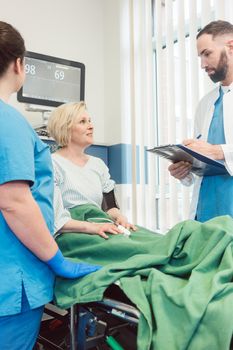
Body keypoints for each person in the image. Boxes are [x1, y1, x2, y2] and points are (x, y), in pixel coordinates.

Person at [0, 21, 100, 350]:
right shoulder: (8, 121)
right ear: (19, 64)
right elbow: (14, 202)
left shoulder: (97, 165)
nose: (89, 125)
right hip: (13, 277)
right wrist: (57, 259)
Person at [168, 20, 233, 222]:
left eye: (207, 54)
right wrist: (184, 171)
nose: (203, 64)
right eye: (200, 57)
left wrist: (217, 150)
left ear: (230, 47)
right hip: (205, 210)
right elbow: (202, 162)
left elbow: (214, 152)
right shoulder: (205, 104)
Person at [47, 101, 136, 239]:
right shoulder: (52, 164)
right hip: (72, 234)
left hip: (101, 225)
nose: (91, 126)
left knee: (145, 238)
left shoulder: (98, 164)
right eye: (83, 122)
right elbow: (57, 221)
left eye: (90, 121)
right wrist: (94, 227)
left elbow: (110, 208)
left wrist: (120, 217)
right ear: (65, 128)